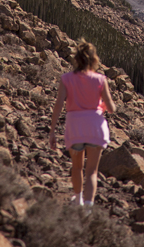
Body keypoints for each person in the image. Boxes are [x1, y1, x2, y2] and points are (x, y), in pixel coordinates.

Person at [49, 40, 116, 207]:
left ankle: (78, 199)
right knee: (92, 171)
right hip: (95, 126)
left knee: (77, 167)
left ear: (77, 59)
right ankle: (88, 208)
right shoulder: (100, 79)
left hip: (75, 127)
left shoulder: (66, 79)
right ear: (94, 60)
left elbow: (58, 105)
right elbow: (112, 108)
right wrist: (103, 105)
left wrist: (52, 131)